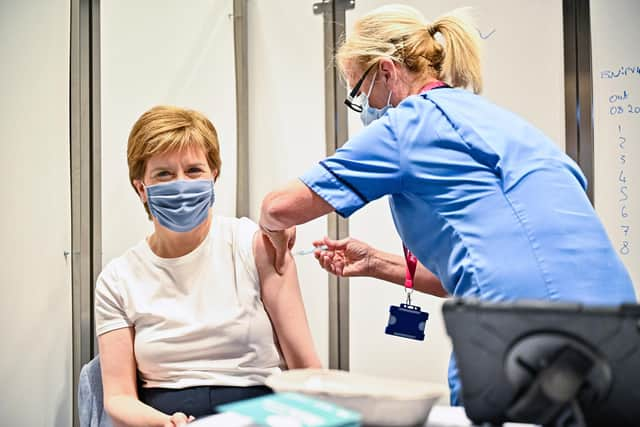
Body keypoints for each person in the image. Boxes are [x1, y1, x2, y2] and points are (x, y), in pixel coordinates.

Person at [257, 5, 636, 405]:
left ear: (386, 71)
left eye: (357, 91)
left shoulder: (409, 125)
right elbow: (483, 268)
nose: (362, 106)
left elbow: (279, 206)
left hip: (525, 340)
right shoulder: (499, 121)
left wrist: (272, 231)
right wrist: (376, 263)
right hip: (620, 333)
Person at [95, 105, 321, 427]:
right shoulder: (118, 278)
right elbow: (118, 397)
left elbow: (306, 369)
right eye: (164, 174)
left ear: (214, 175)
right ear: (141, 188)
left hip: (259, 415)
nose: (181, 184)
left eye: (194, 170)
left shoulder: (256, 245)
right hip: (164, 416)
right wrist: (163, 423)